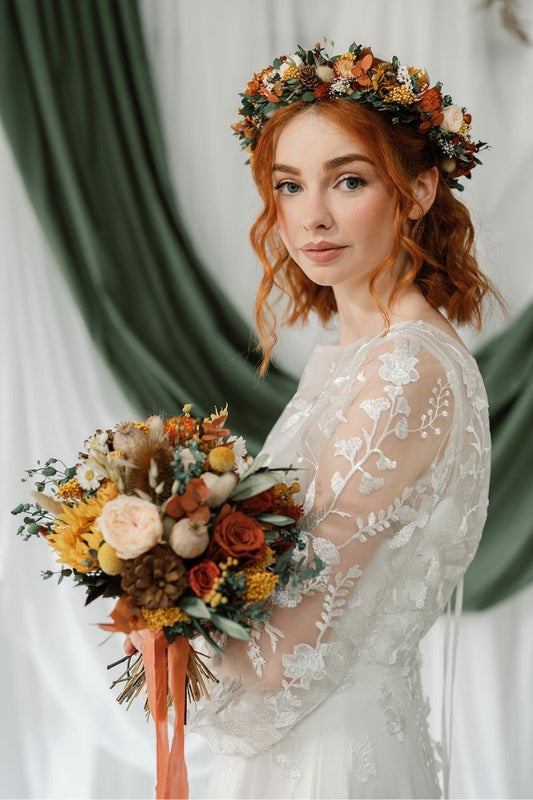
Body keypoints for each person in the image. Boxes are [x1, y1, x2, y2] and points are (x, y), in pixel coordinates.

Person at [128, 42, 501, 799]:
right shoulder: (355, 355)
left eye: (349, 181)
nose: (311, 218)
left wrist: (167, 605)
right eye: (289, 186)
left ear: (419, 189)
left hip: (331, 757)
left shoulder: (406, 369)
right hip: (311, 740)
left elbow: (286, 648)